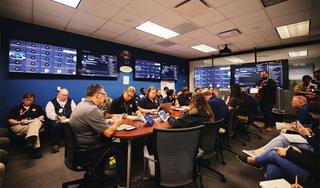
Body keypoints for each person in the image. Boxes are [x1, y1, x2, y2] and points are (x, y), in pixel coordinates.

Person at [237, 101, 320, 185]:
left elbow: (314, 163)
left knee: (273, 154)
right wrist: (301, 150)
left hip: (313, 176)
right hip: (311, 162)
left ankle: (255, 161)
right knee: (272, 167)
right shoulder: (316, 122)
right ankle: (260, 159)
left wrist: (289, 153)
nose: (313, 117)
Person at [69, 84, 126, 185]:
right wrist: (118, 123)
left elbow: (93, 122)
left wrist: (107, 121)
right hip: (89, 151)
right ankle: (123, 179)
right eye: (104, 94)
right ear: (97, 95)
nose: (105, 97)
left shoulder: (82, 105)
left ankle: (99, 172)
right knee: (121, 147)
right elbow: (108, 133)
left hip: (78, 148)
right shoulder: (92, 109)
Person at [242, 96, 316, 157]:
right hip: (310, 138)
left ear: (299, 103)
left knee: (282, 135)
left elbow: (302, 125)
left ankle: (260, 153)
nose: (291, 102)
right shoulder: (304, 109)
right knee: (282, 136)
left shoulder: (303, 110)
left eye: (293, 101)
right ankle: (260, 152)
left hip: (309, 141)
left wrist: (297, 127)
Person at [8, 93, 45, 158]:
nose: (29, 101)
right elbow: (10, 120)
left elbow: (42, 116)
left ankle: (31, 146)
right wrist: (20, 121)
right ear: (22, 100)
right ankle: (35, 147)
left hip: (34, 123)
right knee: (34, 128)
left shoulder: (37, 107)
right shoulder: (16, 108)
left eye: (31, 100)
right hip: (20, 125)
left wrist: (40, 118)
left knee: (35, 122)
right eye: (27, 100)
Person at [45, 88, 76, 153]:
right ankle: (55, 144)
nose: (65, 97)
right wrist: (58, 117)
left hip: (68, 119)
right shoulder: (51, 103)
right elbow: (49, 114)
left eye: (66, 95)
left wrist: (71, 117)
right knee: (56, 125)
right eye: (63, 95)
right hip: (56, 120)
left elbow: (75, 111)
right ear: (59, 94)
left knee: (74, 123)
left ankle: (71, 143)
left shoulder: (71, 101)